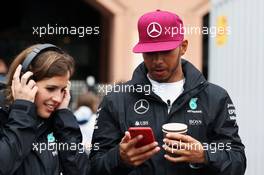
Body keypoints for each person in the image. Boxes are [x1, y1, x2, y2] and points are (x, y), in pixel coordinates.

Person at [89, 10, 246, 175]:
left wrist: (204, 155)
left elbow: (238, 162)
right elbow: (94, 166)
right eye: (150, 53)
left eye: (165, 51)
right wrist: (119, 159)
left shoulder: (215, 97)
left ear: (183, 47)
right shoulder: (116, 99)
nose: (157, 61)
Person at [0, 44, 89, 175]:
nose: (58, 99)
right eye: (51, 89)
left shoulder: (58, 122)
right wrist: (22, 111)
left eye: (63, 90)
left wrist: (64, 118)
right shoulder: (3, 115)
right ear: (24, 81)